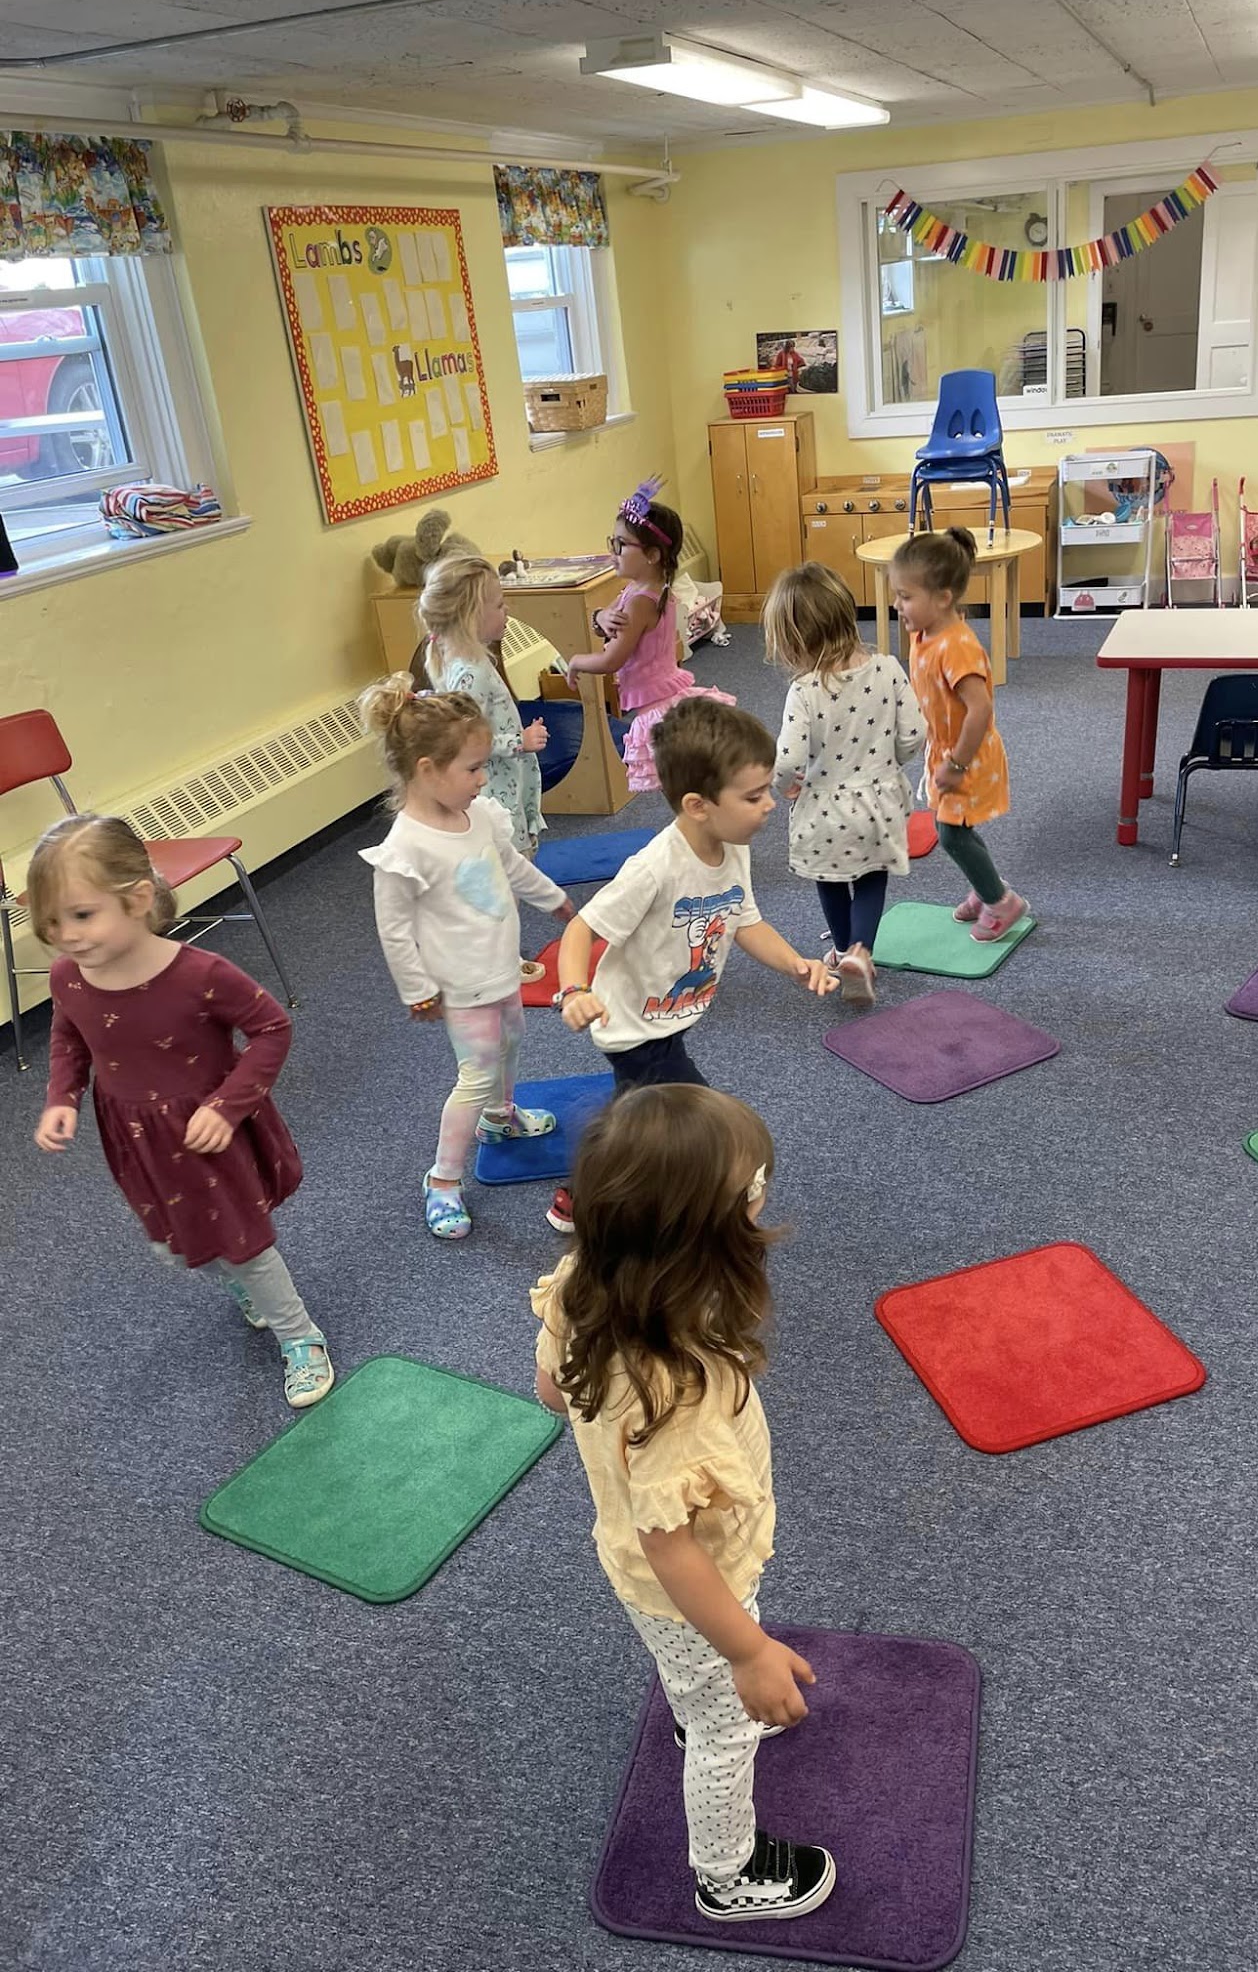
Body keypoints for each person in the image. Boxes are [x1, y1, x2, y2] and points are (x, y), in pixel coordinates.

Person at [533, 1084, 836, 1922]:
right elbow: (671, 1546)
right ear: (706, 1231)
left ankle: (696, 1697)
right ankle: (726, 1875)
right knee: (725, 1730)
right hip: (691, 1577)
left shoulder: (586, 1281)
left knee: (693, 1675)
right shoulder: (681, 1387)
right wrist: (751, 1653)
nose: (763, 1192)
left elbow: (552, 1392)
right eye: (755, 1186)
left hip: (643, 1571)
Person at [29, 814, 332, 1408]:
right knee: (172, 1243)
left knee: (245, 1243)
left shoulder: (201, 974)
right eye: (52, 923)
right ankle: (244, 1284)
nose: (68, 936)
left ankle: (300, 1336)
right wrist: (62, 1097)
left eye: (82, 915)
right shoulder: (68, 976)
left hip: (207, 1131)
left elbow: (272, 1028)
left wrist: (228, 1106)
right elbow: (69, 1038)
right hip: (136, 1137)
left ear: (139, 899)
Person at [547, 699, 838, 1232]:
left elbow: (745, 922)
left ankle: (579, 1194)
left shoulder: (733, 845)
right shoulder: (655, 868)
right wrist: (573, 991)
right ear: (698, 805)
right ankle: (698, 1217)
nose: (769, 804)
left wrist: (795, 963)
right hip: (633, 1028)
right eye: (753, 795)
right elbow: (580, 928)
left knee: (633, 1121)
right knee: (703, 1123)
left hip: (671, 1015)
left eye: (767, 789)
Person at [358, 674, 574, 1241]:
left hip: (500, 968)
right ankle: (443, 1179)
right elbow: (394, 931)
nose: (483, 779)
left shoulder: (479, 817)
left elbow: (512, 867)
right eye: (473, 769)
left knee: (513, 1041)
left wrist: (554, 900)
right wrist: (417, 990)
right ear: (428, 770)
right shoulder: (406, 848)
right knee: (475, 1075)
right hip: (458, 984)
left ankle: (500, 1120)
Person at [764, 561, 926, 1003]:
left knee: (830, 878)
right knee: (872, 876)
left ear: (795, 640)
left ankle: (841, 950)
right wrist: (893, 761)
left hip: (824, 809)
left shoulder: (804, 690)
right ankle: (861, 952)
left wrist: (785, 786)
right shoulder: (888, 668)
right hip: (879, 803)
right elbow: (914, 734)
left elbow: (787, 759)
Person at [889, 527, 1029, 940]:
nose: (896, 605)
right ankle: (987, 889)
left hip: (968, 754)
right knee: (956, 830)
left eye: (905, 596)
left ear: (943, 598)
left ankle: (1001, 901)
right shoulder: (925, 633)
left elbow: (980, 709)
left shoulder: (957, 646)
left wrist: (957, 763)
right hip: (946, 749)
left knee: (951, 833)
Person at [564, 477, 734, 794]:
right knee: (687, 780)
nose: (613, 553)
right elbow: (605, 623)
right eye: (612, 543)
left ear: (652, 555)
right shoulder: (643, 589)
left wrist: (576, 661)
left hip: (658, 708)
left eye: (621, 545)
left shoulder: (640, 602)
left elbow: (611, 660)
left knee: (682, 783)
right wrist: (599, 616)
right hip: (666, 697)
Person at [420, 554, 549, 856]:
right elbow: (465, 742)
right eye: (500, 605)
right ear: (472, 615)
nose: (507, 610)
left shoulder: (459, 657)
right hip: (494, 787)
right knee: (510, 862)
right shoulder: (471, 673)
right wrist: (520, 741)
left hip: (499, 782)